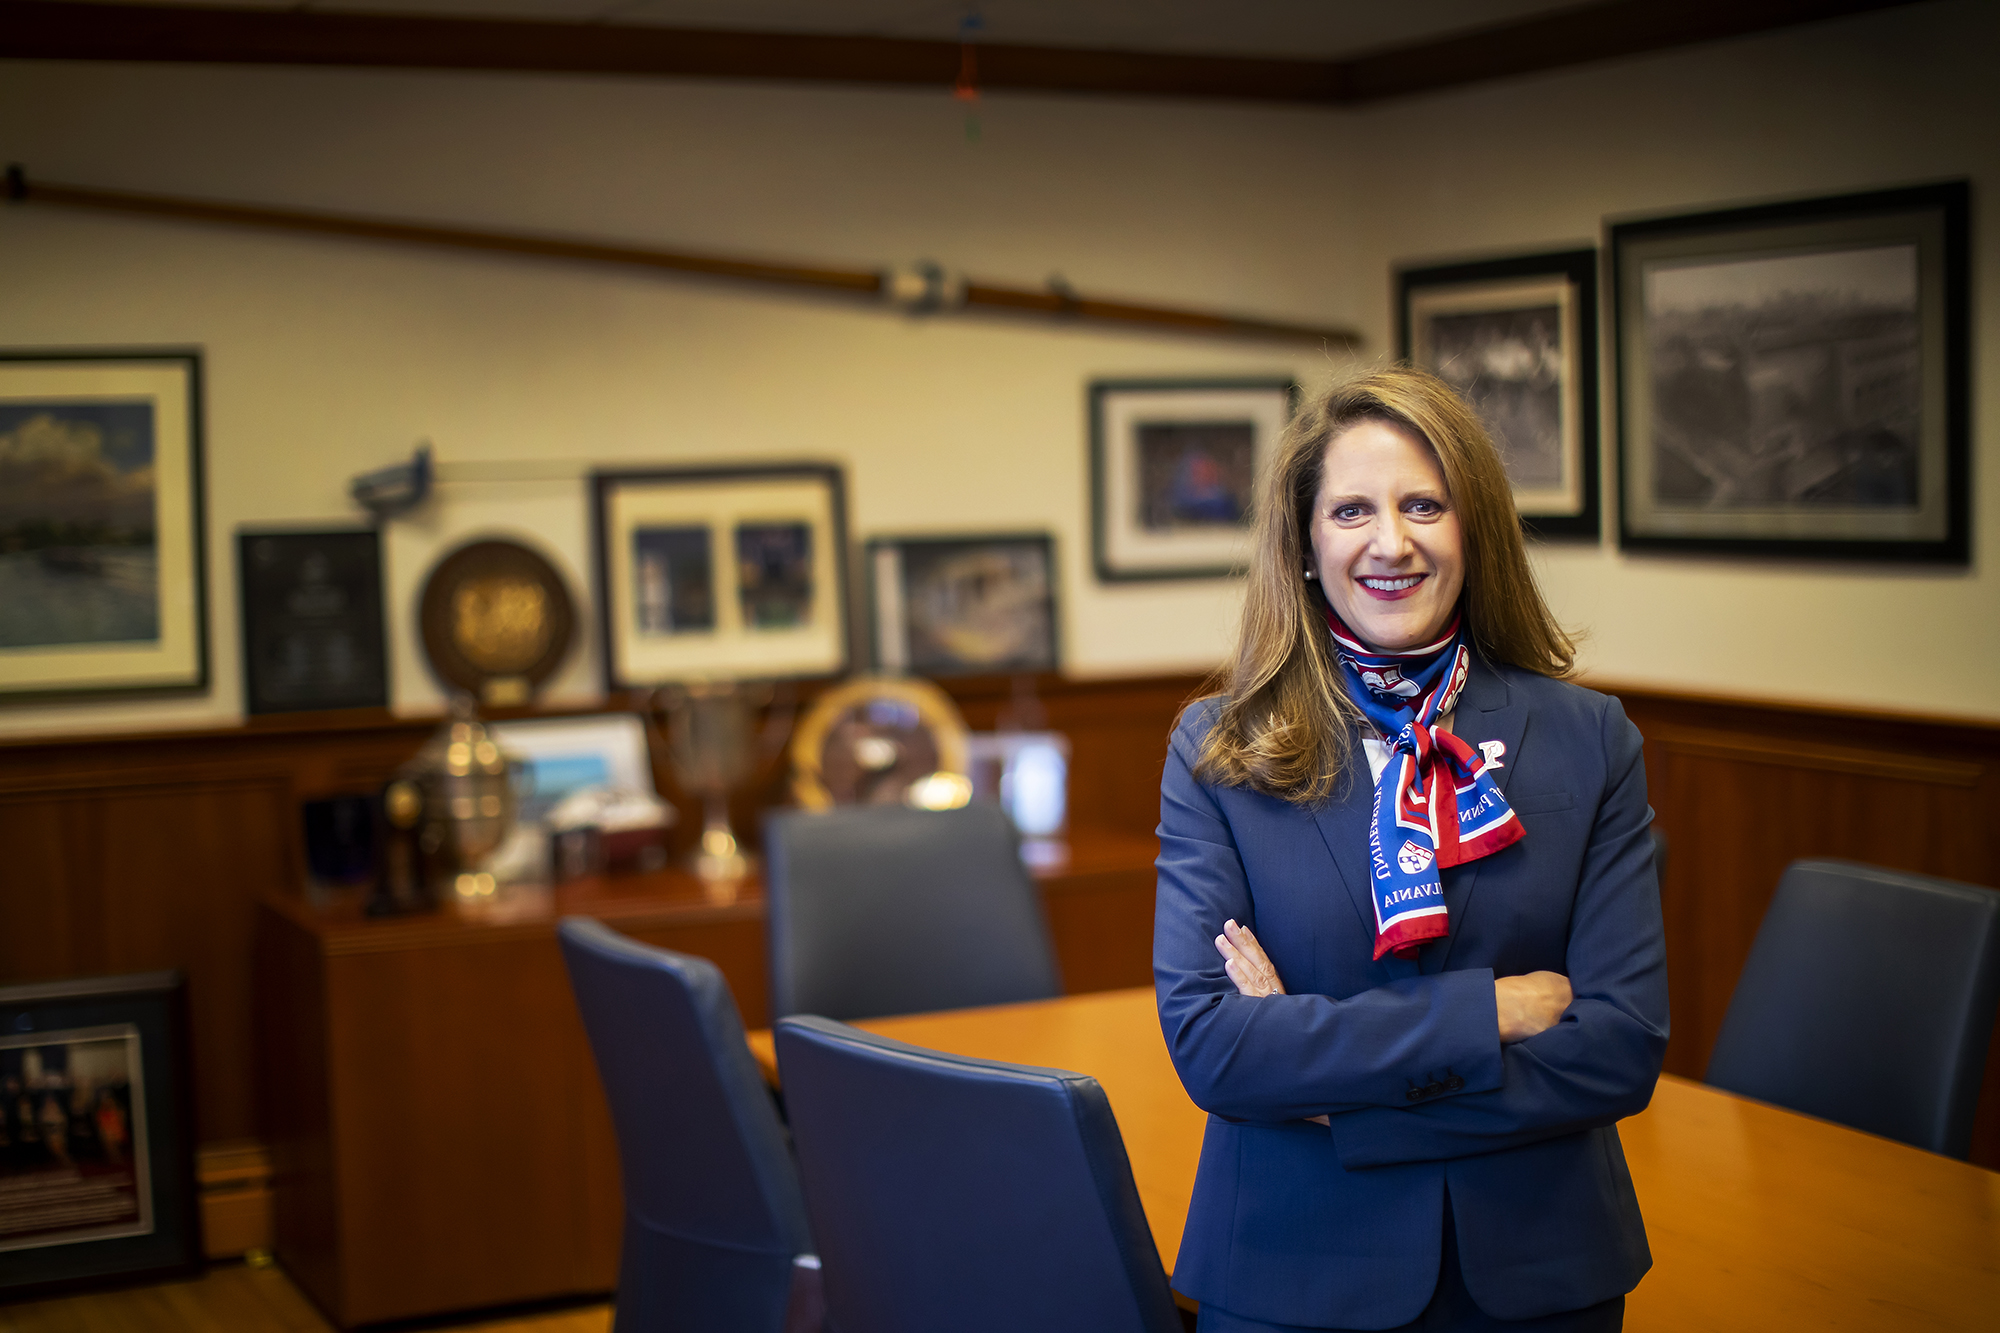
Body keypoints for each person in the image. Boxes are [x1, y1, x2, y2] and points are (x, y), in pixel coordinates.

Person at [1155, 366, 1667, 1332]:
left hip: (1541, 1271)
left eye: (1424, 504)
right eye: (1351, 510)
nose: (1391, 542)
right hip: (1289, 1273)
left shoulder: (1590, 738)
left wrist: (1333, 1098)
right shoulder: (1220, 747)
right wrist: (1494, 1011)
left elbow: (1620, 1050)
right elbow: (1216, 1049)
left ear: (1473, 528)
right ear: (1305, 543)